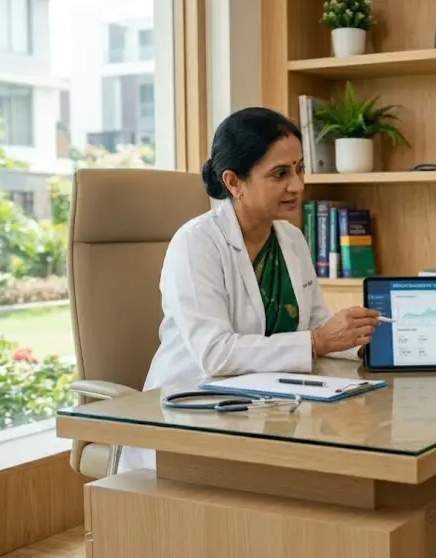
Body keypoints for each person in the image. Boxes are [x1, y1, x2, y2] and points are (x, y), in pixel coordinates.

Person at [117, 107, 380, 473]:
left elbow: (317, 323)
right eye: (280, 174)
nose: (298, 185)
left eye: (299, 168)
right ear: (233, 182)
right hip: (191, 414)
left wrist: (362, 342)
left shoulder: (291, 239)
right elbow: (215, 354)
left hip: (269, 412)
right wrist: (318, 341)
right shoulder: (197, 244)